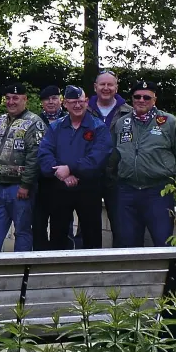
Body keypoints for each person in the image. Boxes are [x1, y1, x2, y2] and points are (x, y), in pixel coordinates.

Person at [112, 81, 176, 247]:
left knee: (163, 241)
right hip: (127, 191)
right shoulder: (122, 123)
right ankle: (133, 274)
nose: (141, 100)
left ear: (154, 99)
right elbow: (113, 154)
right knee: (127, 243)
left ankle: (166, 274)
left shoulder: (170, 122)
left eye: (146, 97)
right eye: (137, 96)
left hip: (158, 192)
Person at [37, 85, 112, 250]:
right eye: (72, 102)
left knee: (91, 236)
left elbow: (98, 157)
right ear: (65, 104)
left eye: (80, 102)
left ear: (86, 102)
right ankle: (58, 273)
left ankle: (91, 272)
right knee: (58, 235)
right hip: (60, 187)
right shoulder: (56, 127)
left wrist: (70, 169)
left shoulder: (98, 127)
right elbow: (44, 154)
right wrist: (62, 174)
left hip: (88, 188)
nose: (77, 106)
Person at [0, 83, 44, 252]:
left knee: (22, 231)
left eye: (16, 98)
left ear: (25, 100)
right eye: (8, 98)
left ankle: (20, 271)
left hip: (20, 188)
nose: (11, 102)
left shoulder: (34, 123)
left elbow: (35, 156)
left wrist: (26, 185)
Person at [87, 70, 132, 247]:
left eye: (110, 84)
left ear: (116, 87)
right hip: (89, 176)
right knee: (88, 227)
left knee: (121, 227)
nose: (106, 88)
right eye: (102, 84)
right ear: (95, 87)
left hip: (118, 177)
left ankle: (120, 268)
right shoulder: (83, 111)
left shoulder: (129, 112)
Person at [33, 85, 66, 251]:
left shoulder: (70, 119)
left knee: (60, 224)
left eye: (54, 98)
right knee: (38, 224)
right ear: (42, 102)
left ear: (61, 100)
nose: (51, 102)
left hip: (62, 180)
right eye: (47, 99)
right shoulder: (35, 121)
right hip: (40, 180)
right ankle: (39, 260)